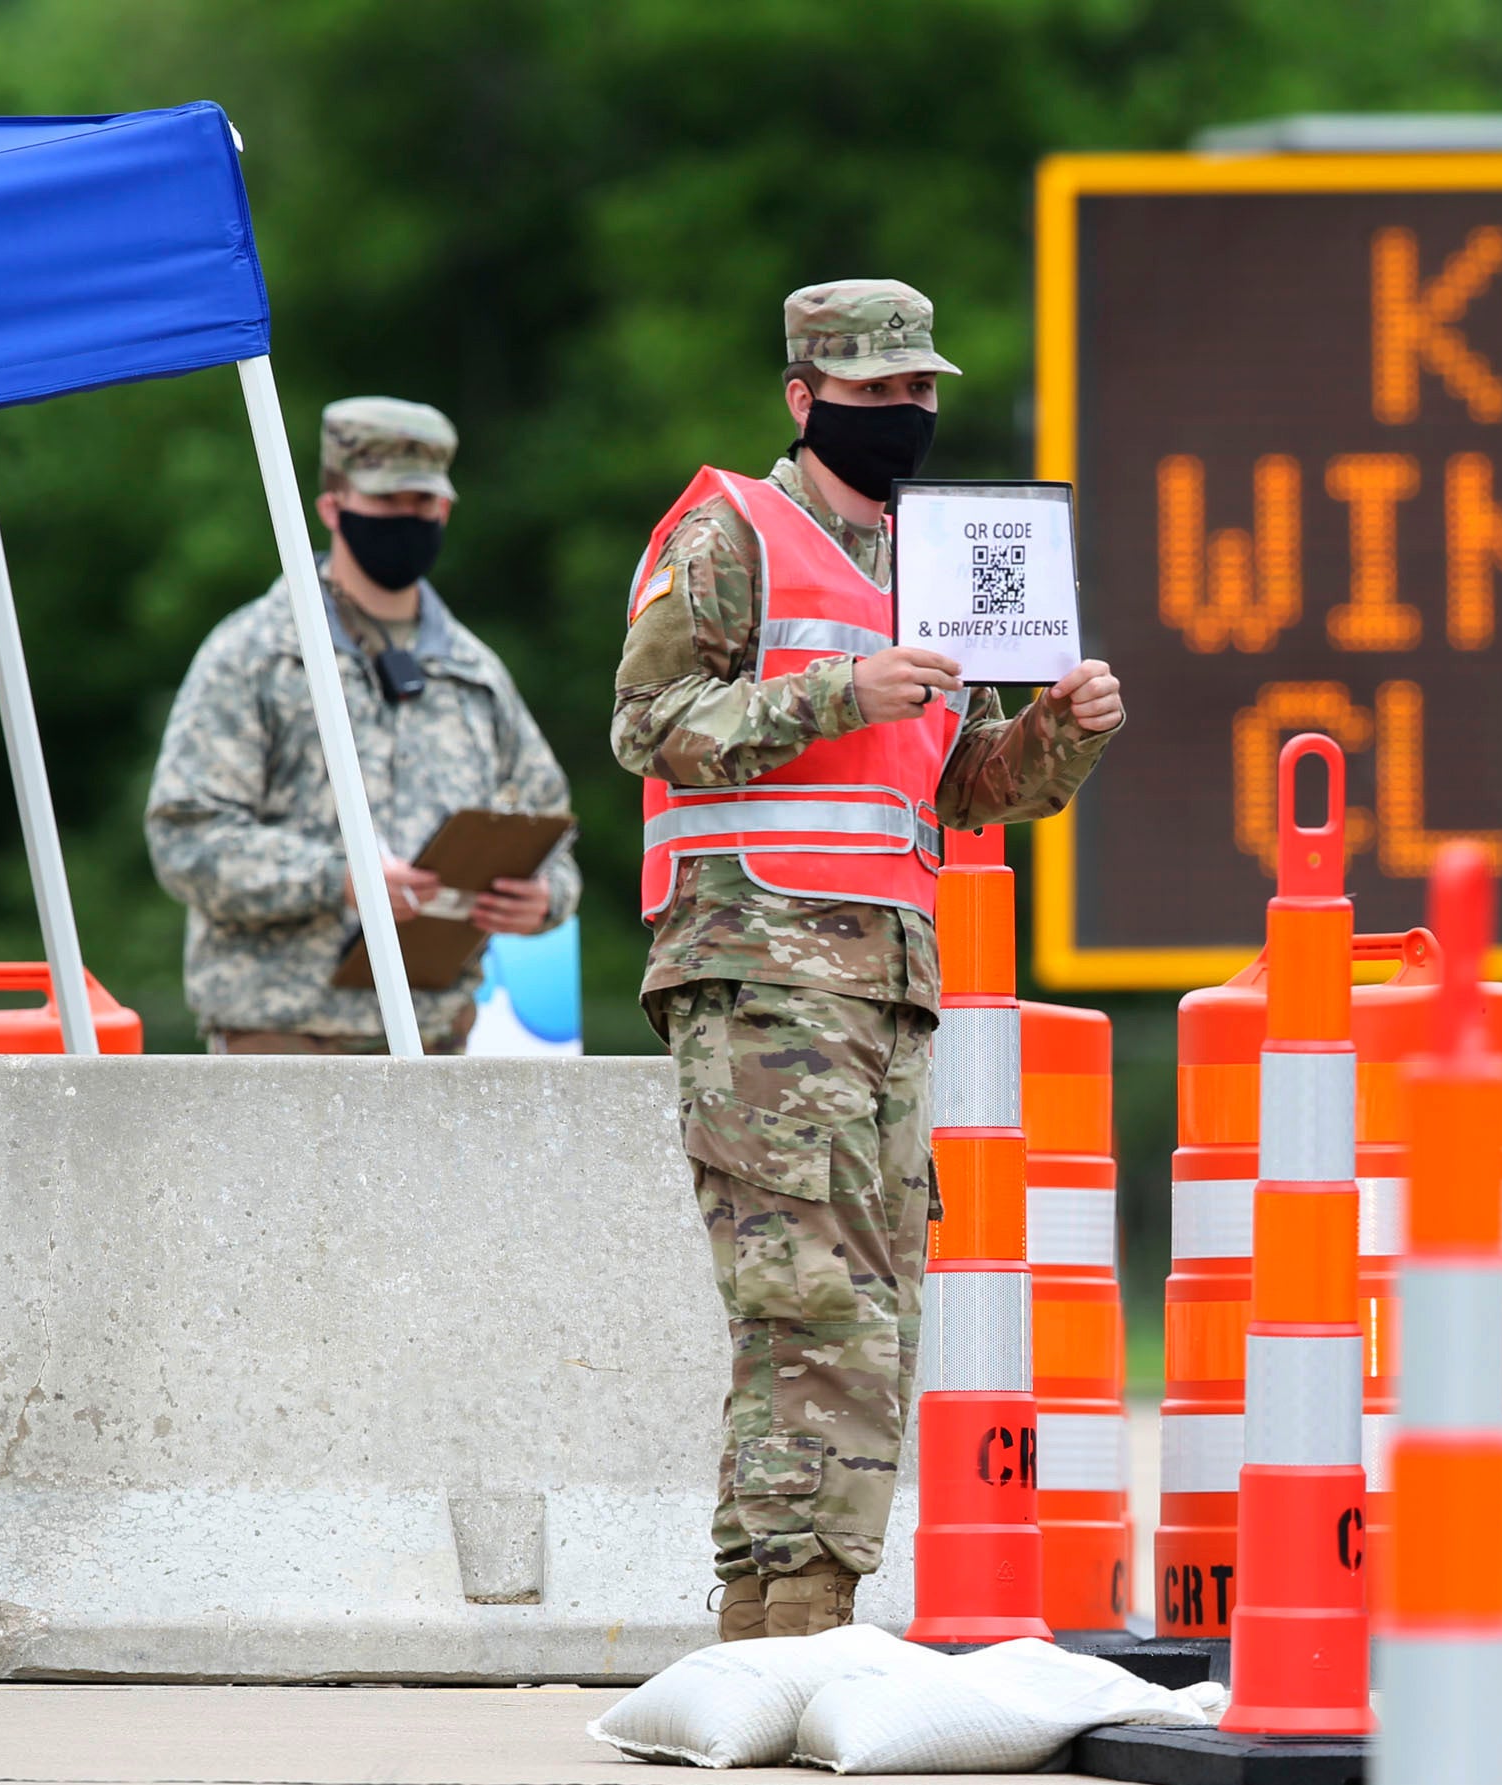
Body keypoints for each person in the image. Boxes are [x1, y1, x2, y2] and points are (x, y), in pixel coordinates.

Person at [612, 280, 1123, 1641]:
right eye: (878, 392)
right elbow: (649, 726)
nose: (908, 413)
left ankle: (799, 1617)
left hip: (884, 990)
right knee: (806, 1307)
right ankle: (784, 1621)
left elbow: (961, 786)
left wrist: (1066, 731)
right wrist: (844, 690)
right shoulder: (733, 533)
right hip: (758, 971)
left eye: (919, 392)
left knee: (874, 1311)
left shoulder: (928, 558)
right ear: (804, 396)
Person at [148, 397, 578, 1052]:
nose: (409, 519)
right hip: (283, 1040)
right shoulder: (257, 654)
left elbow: (552, 832)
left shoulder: (475, 674)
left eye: (423, 504)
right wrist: (341, 879)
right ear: (333, 507)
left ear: (446, 509)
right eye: (388, 503)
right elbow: (186, 838)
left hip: (433, 1042)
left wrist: (545, 899)